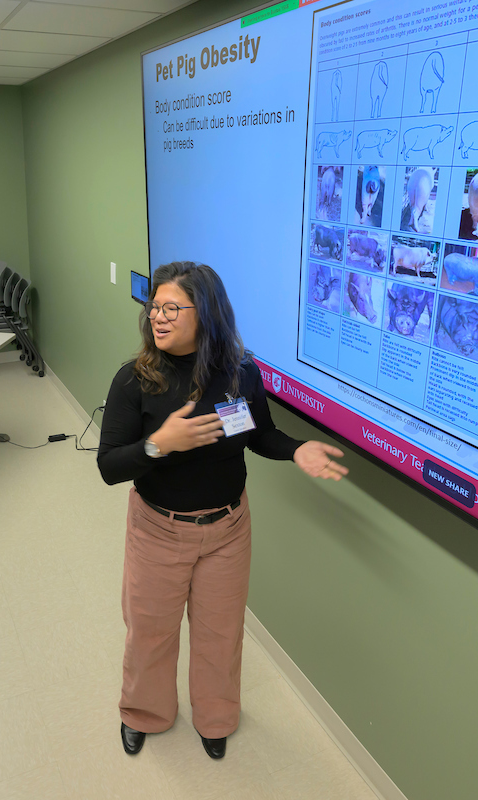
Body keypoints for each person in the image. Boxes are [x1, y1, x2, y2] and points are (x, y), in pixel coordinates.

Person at [97, 262, 347, 760]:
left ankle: (215, 718)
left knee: (221, 634)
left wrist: (296, 449)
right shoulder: (134, 380)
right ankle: (145, 712)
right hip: (158, 531)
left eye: (172, 308)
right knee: (150, 633)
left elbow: (260, 434)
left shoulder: (240, 373)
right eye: (154, 307)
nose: (157, 317)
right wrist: (159, 444)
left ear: (206, 313)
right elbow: (109, 466)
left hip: (228, 530)